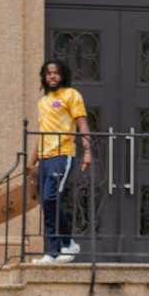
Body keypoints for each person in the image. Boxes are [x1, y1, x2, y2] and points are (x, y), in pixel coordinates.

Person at [35, 59, 92, 263]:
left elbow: (82, 124)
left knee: (52, 198)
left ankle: (68, 243)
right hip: (44, 157)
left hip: (62, 154)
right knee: (47, 204)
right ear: (44, 76)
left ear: (62, 75)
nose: (52, 76)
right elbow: (42, 132)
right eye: (49, 73)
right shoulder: (42, 102)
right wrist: (32, 161)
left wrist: (87, 151)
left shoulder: (71, 95)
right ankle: (52, 251)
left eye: (56, 73)